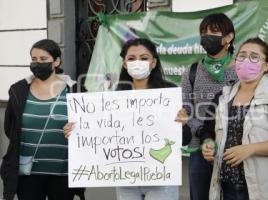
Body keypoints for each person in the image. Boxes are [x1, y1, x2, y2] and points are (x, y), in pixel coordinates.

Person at [63, 38, 191, 200]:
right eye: (131, 58)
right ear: (124, 64)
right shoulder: (114, 99)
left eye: (144, 58)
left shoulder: (170, 93)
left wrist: (183, 125)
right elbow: (99, 133)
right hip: (126, 177)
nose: (138, 62)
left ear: (153, 63)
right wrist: (75, 131)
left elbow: (185, 139)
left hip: (161, 177)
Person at [201, 37, 268, 199]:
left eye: (254, 57)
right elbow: (207, 130)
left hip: (264, 190)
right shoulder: (222, 97)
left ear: (266, 66)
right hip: (226, 189)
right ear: (235, 61)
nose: (247, 60)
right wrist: (208, 143)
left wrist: (250, 149)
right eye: (242, 56)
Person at [0, 39, 85, 200]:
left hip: (64, 173)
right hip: (28, 173)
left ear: (56, 61)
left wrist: (75, 129)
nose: (37, 63)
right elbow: (10, 128)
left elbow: (86, 127)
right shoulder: (18, 90)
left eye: (43, 59)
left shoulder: (75, 90)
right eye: (34, 59)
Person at [179, 13, 237, 200]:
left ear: (228, 37)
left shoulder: (242, 69)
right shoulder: (192, 71)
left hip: (233, 150)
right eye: (203, 32)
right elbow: (186, 111)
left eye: (214, 31)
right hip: (200, 150)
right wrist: (204, 135)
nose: (207, 36)